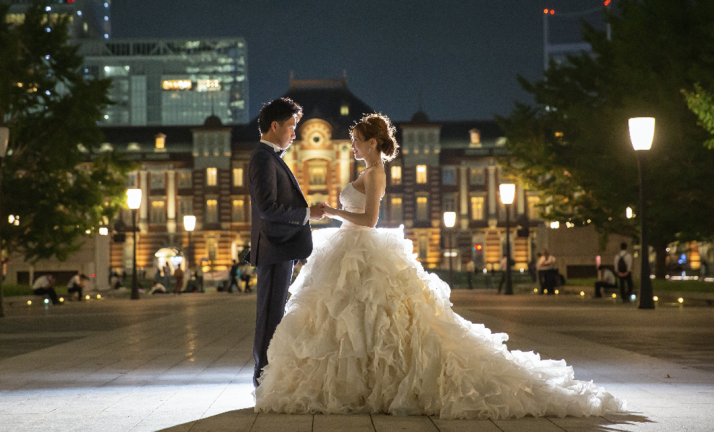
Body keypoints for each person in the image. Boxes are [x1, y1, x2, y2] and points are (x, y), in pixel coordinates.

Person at [254, 113, 624, 419]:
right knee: (353, 321)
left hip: (360, 246)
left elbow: (368, 220)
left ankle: (371, 381)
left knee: (369, 319)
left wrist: (330, 211)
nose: (351, 146)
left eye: (354, 141)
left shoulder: (376, 174)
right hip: (348, 248)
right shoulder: (368, 172)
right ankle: (361, 381)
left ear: (371, 143)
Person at [248, 98, 327, 388]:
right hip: (273, 248)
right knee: (270, 315)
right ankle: (263, 379)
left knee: (274, 314)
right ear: (274, 125)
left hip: (279, 248)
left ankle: (268, 376)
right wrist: (308, 214)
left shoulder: (271, 158)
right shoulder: (263, 158)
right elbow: (268, 209)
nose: (295, 133)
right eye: (292, 127)